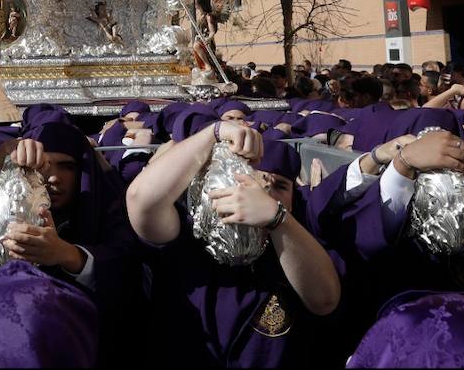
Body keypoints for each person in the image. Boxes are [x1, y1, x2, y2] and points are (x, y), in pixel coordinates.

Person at [126, 116, 341, 365]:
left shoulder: (294, 245)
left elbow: (324, 300)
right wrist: (212, 133)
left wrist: (276, 218)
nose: (260, 191)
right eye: (246, 178)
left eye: (280, 186)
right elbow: (140, 199)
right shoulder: (185, 234)